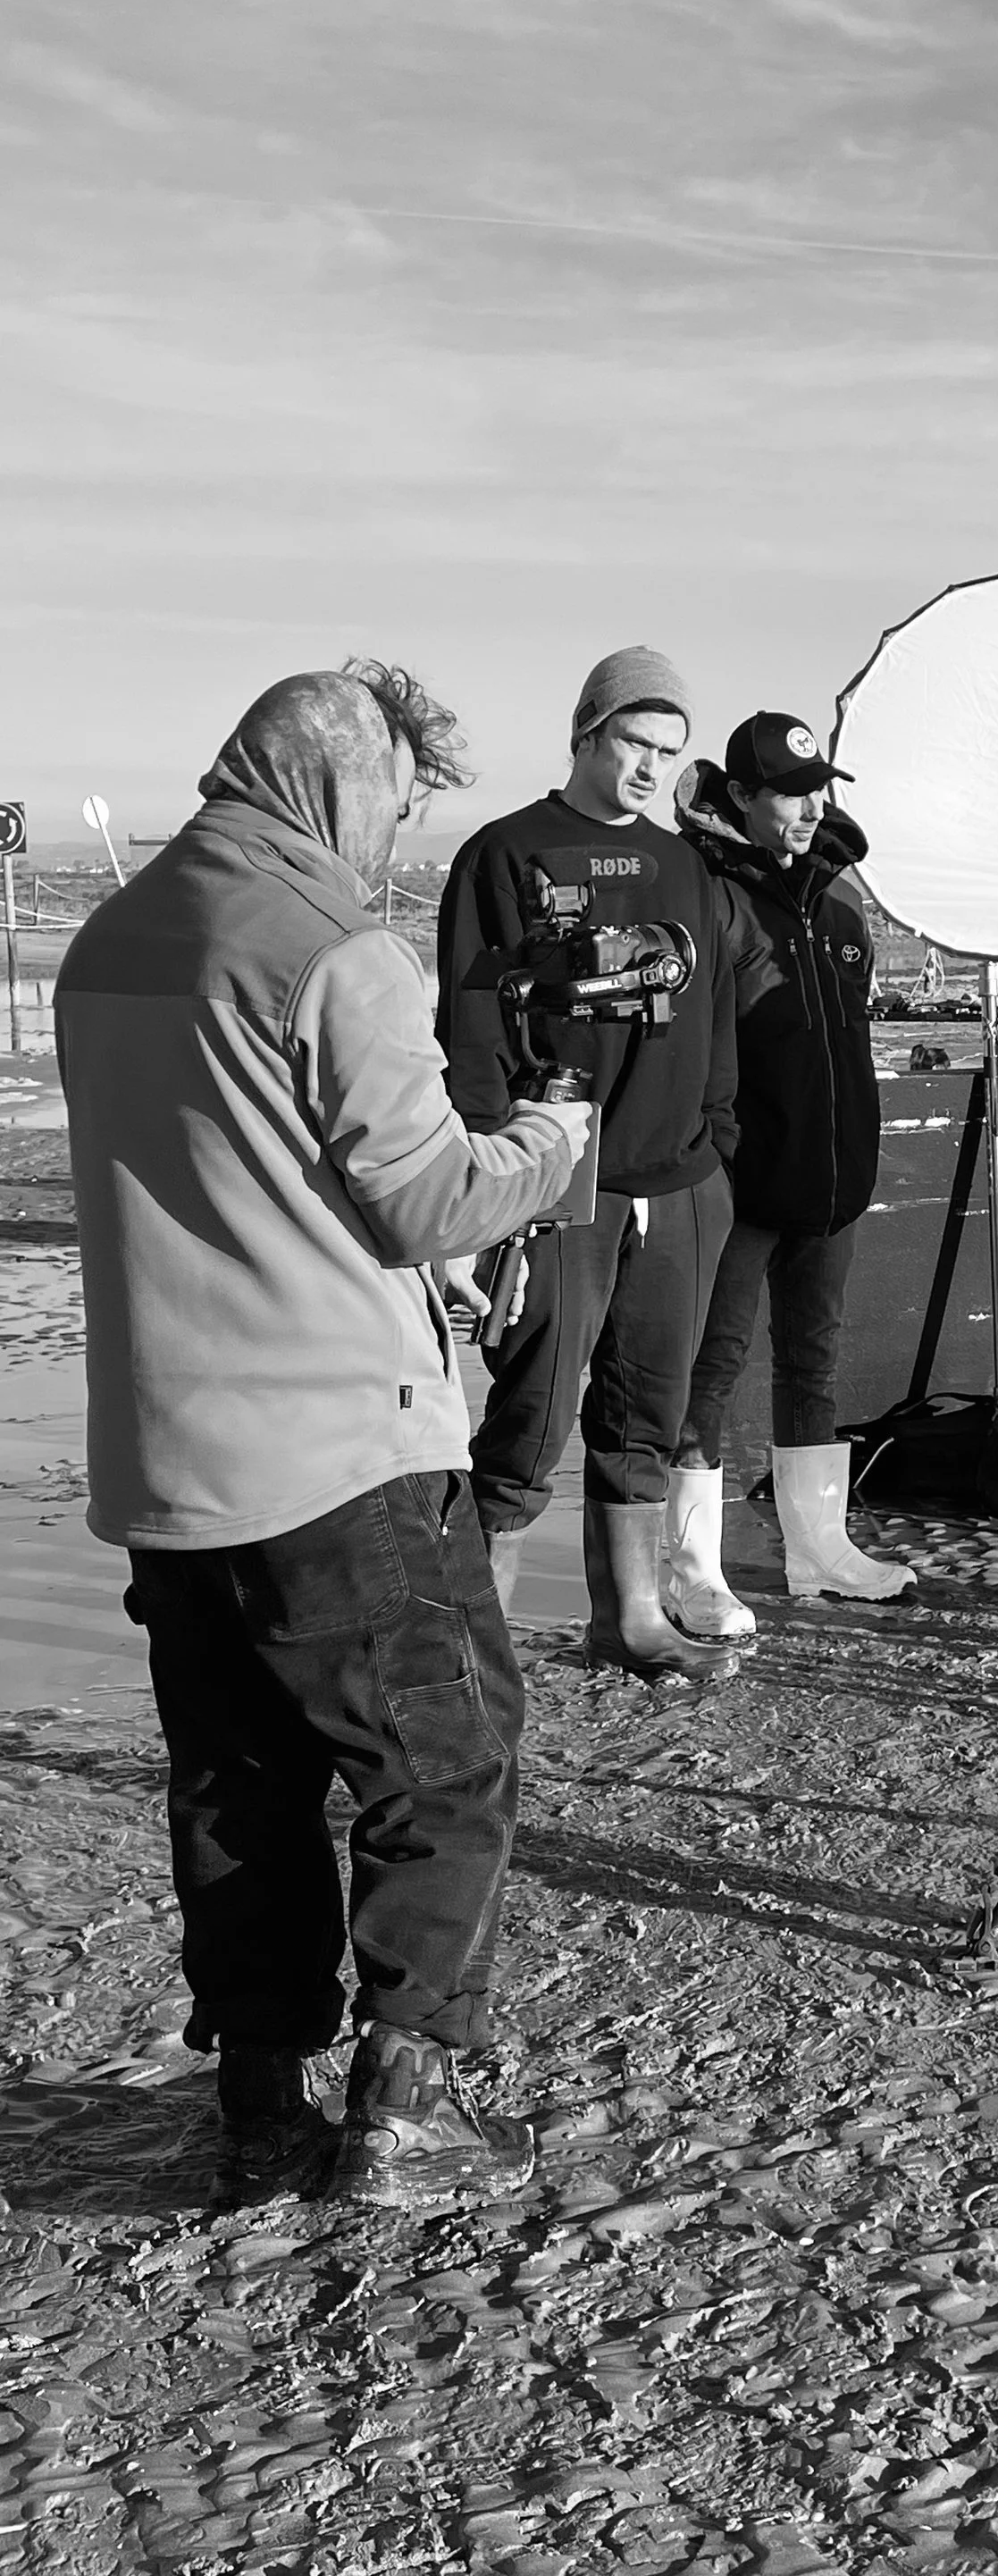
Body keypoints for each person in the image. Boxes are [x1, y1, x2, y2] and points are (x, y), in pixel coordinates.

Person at [57, 666, 592, 2195]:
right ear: (341, 780)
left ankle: (259, 2104)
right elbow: (426, 1194)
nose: (395, 845)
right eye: (399, 805)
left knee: (241, 1785)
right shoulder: (333, 950)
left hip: (168, 1457)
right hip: (339, 1452)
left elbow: (248, 1174)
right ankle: (408, 2100)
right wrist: (550, 1140)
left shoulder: (109, 941)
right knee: (446, 1760)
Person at [437, 648, 741, 1682]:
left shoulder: (687, 863)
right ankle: (473, 1648)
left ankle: (632, 1618)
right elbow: (471, 1028)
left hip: (682, 1176)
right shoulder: (504, 854)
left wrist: (716, 1139)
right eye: (633, 742)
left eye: (669, 751)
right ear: (585, 732)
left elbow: (715, 1017)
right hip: (562, 1176)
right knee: (532, 1410)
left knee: (646, 1409)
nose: (652, 767)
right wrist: (487, 1174)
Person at [665, 711, 915, 1608]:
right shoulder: (703, 893)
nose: (812, 808)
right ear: (740, 796)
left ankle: (818, 1549)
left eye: (820, 790)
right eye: (791, 793)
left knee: (813, 1362)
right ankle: (690, 1569)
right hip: (735, 1190)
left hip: (830, 1177)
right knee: (710, 1367)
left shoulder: (840, 896)